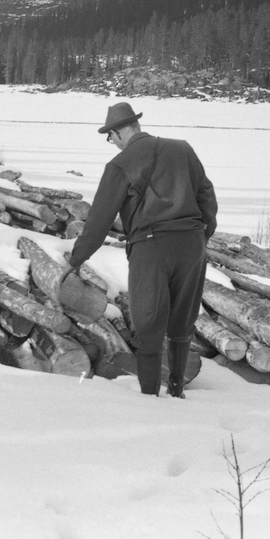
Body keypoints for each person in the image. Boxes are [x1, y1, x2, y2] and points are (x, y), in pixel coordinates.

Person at [63, 102, 217, 398]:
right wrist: (201, 236)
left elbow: (99, 219)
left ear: (118, 132)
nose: (112, 144)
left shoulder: (121, 164)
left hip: (151, 246)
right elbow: (206, 196)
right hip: (191, 243)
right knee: (182, 321)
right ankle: (176, 389)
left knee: (148, 324)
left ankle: (149, 398)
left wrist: (78, 258)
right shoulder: (182, 149)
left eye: (110, 137)